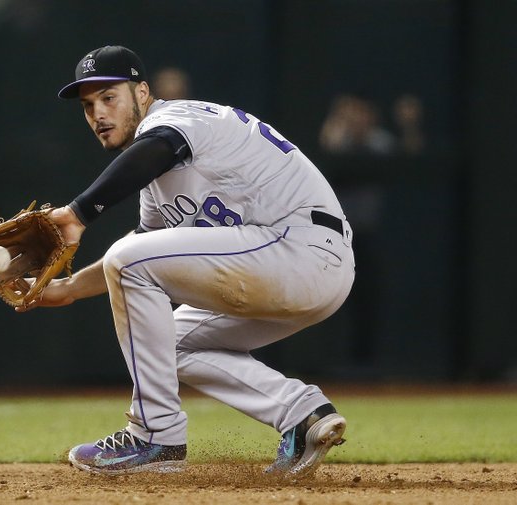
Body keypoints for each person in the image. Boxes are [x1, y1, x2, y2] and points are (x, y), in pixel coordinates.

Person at [20, 45, 355, 476]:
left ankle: (154, 436)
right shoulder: (154, 180)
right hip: (294, 265)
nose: (98, 114)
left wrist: (77, 212)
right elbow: (144, 249)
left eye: (109, 98)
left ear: (143, 93)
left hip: (300, 245)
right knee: (169, 343)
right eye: (88, 106)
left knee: (129, 262)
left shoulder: (177, 119)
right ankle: (302, 414)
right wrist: (67, 290)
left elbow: (159, 150)